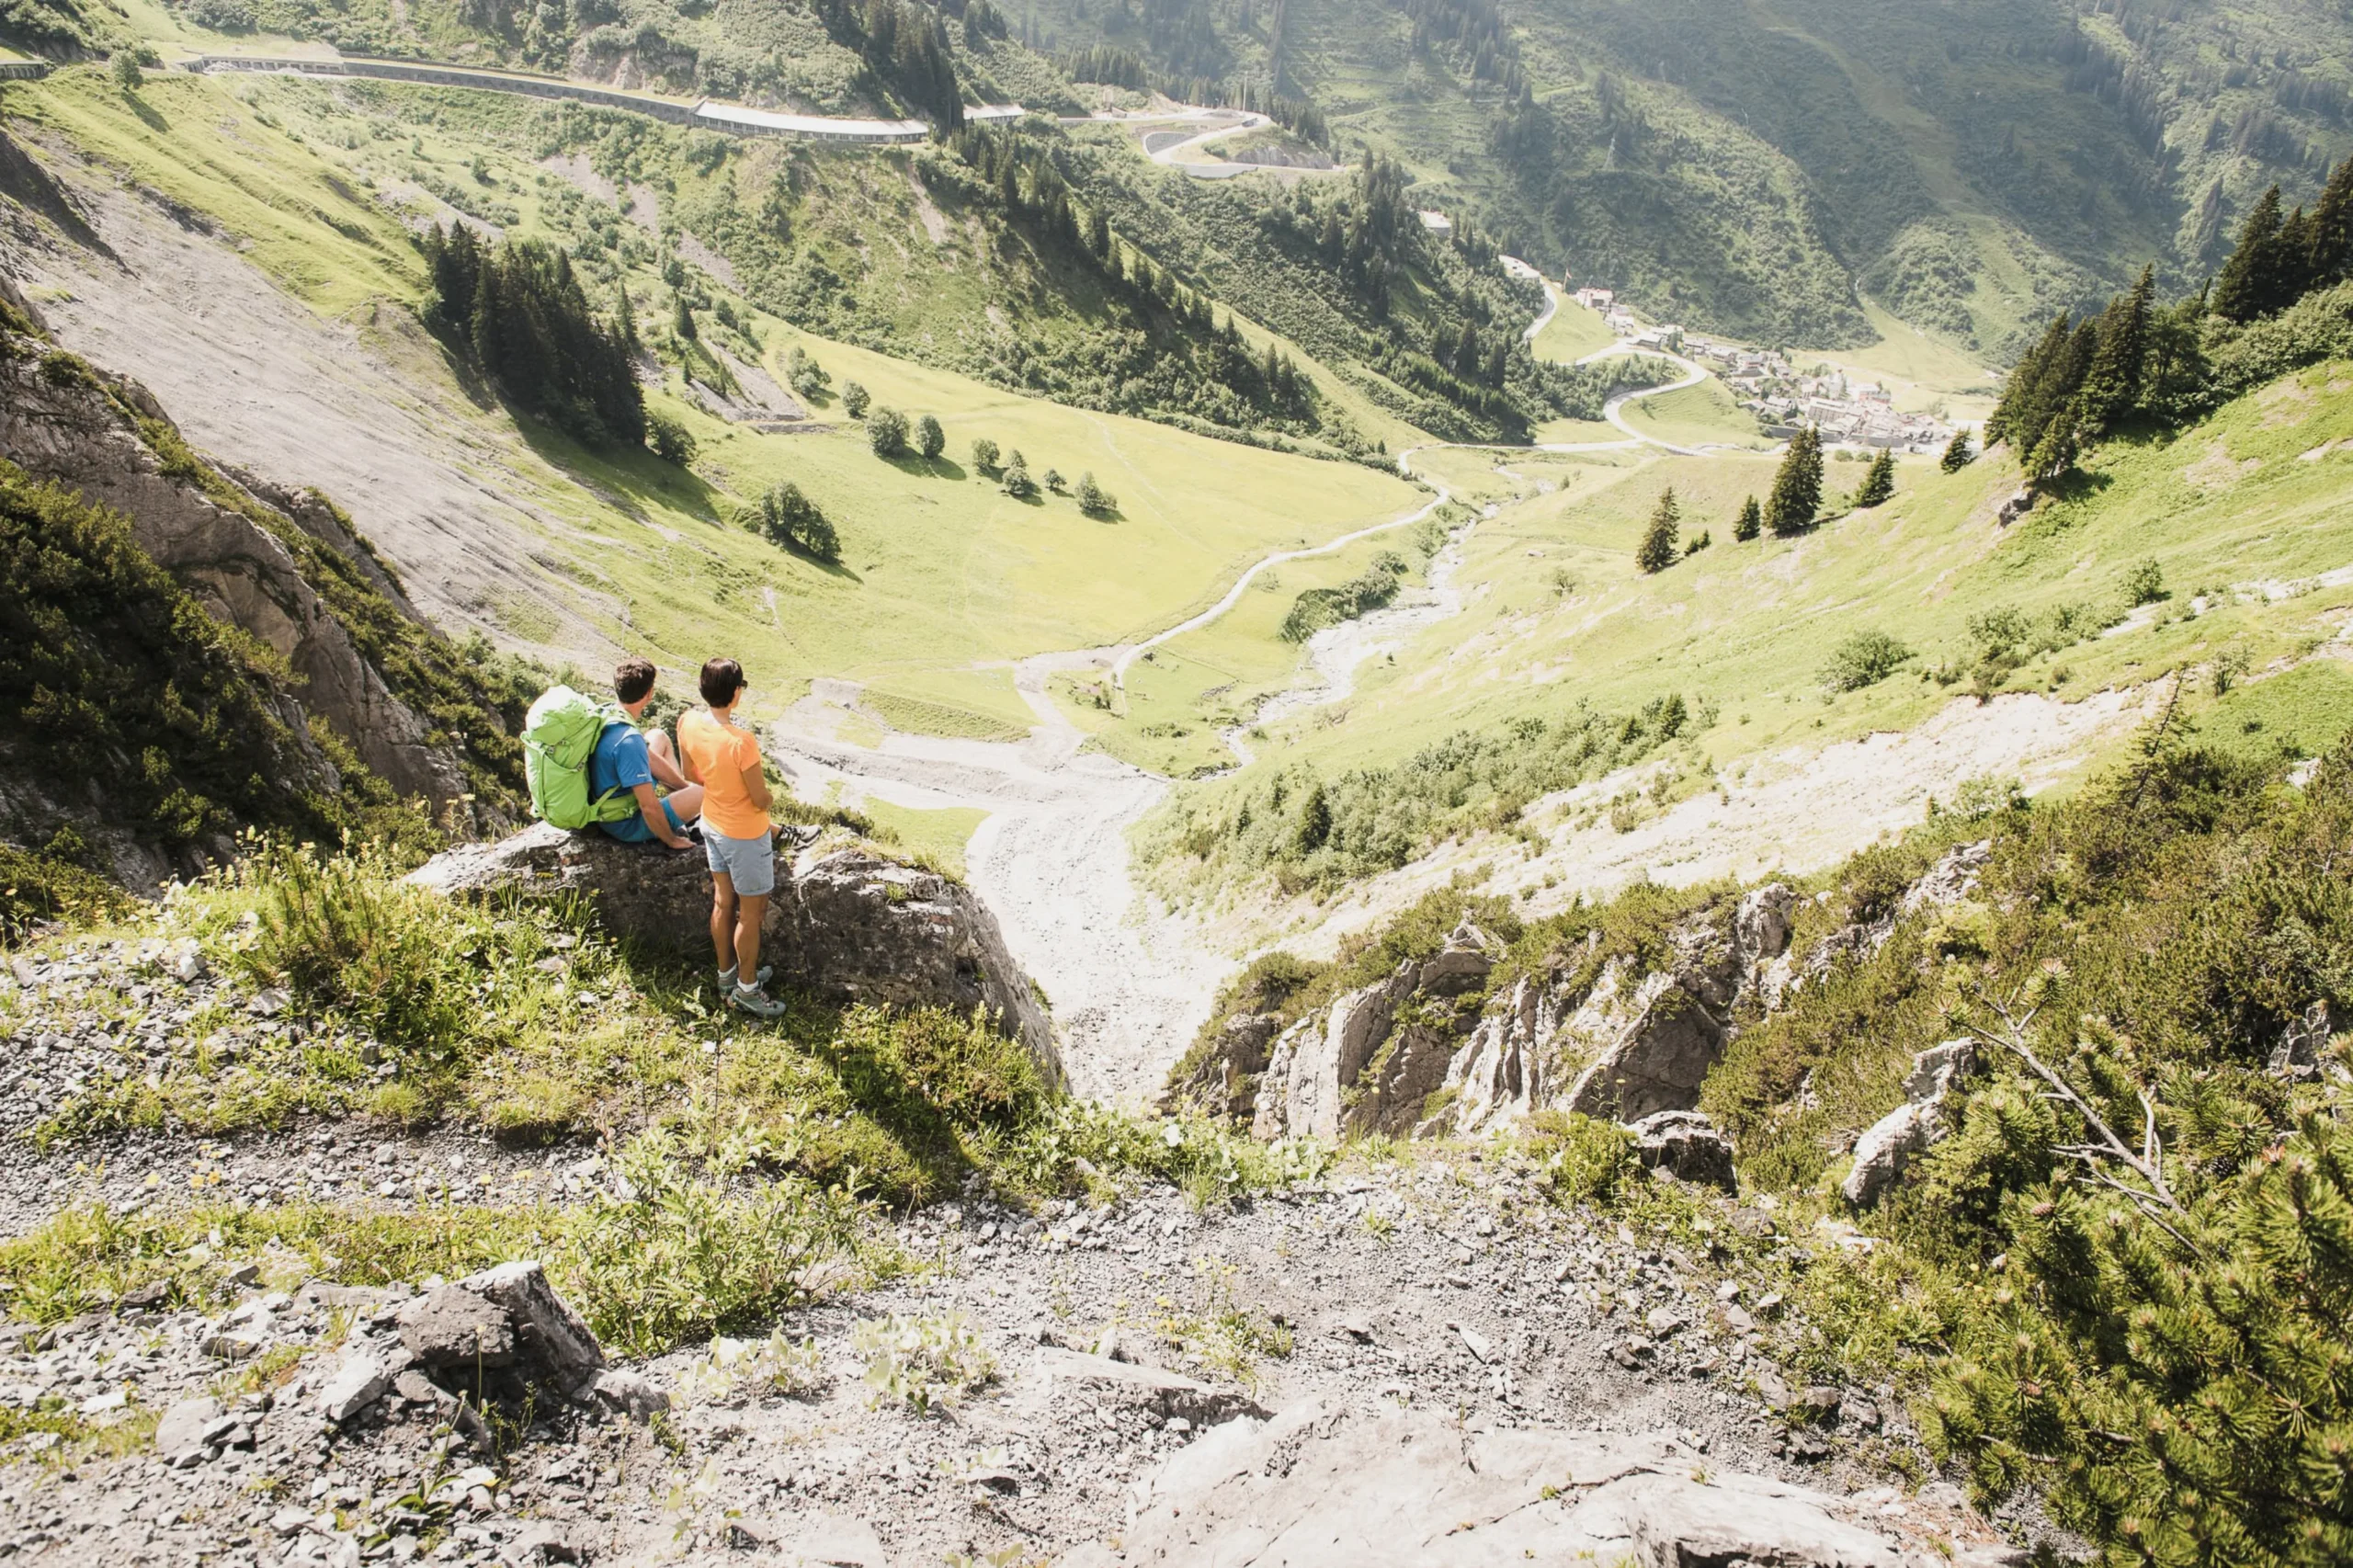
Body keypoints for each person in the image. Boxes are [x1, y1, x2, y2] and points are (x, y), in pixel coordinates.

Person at [678, 657, 787, 1017]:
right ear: (736, 693)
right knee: (751, 915)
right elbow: (759, 799)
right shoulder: (742, 742)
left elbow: (689, 773)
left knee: (724, 902)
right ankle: (747, 988)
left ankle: (728, 975)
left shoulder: (687, 722)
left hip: (712, 824)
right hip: (744, 834)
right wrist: (771, 799)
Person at [590, 659, 704, 850]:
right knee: (705, 792)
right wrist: (672, 840)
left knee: (658, 736)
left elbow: (648, 756)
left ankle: (689, 813)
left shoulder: (610, 714)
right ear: (649, 693)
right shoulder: (629, 741)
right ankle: (691, 819)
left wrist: (684, 789)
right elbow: (648, 807)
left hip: (609, 798)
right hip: (626, 823)